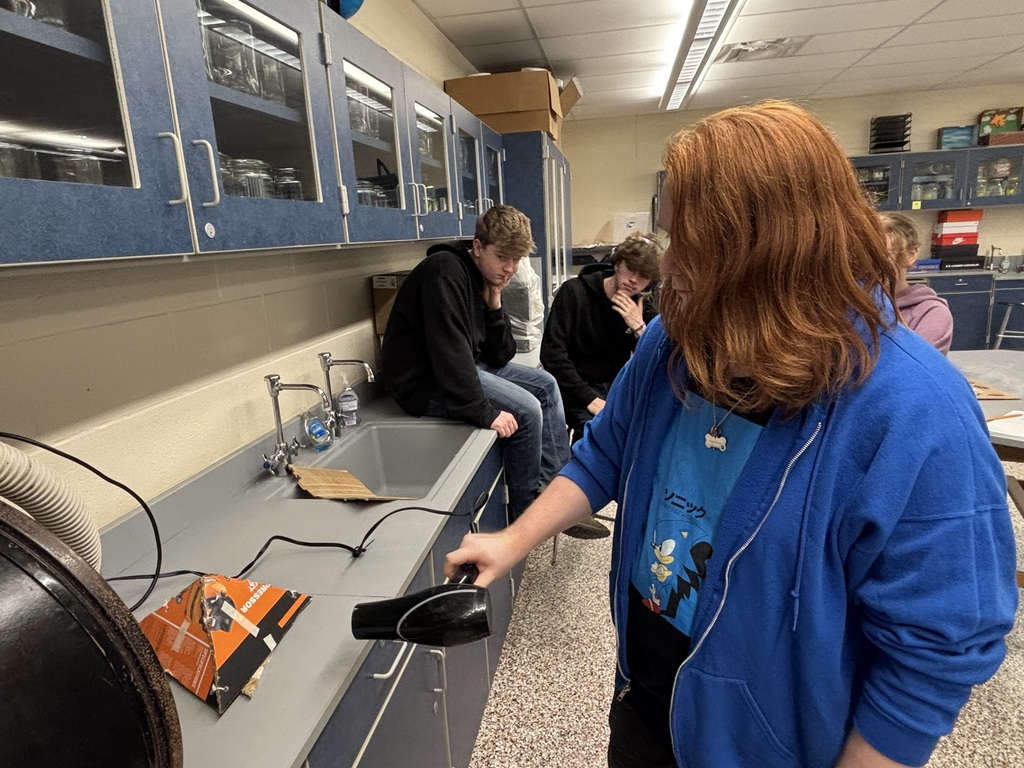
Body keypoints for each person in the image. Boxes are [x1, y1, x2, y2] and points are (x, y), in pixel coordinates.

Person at [445, 102, 1018, 768]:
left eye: (689, 245)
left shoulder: (915, 406)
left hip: (770, 746)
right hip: (646, 699)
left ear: (768, 250)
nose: (670, 267)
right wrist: (512, 538)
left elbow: (936, 648)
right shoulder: (673, 343)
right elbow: (604, 455)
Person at [381, 204, 604, 538]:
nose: (509, 268)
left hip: (463, 366)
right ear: (477, 246)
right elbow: (449, 354)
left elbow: (500, 355)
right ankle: (527, 514)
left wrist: (495, 303)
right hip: (425, 381)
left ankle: (554, 495)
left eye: (516, 260)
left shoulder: (481, 279)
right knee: (527, 410)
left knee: (546, 385)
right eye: (502, 257)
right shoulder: (443, 273)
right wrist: (482, 411)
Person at [540, 233, 661, 444]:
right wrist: (588, 398)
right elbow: (552, 355)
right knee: (598, 432)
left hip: (615, 389)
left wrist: (639, 328)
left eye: (643, 276)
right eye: (630, 269)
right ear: (618, 264)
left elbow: (655, 363)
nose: (634, 280)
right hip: (574, 387)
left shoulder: (641, 310)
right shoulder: (574, 292)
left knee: (646, 431)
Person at [880, 211, 954, 355]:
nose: (869, 264)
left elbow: (912, 366)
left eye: (882, 254)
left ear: (910, 255)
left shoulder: (930, 314)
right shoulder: (853, 306)